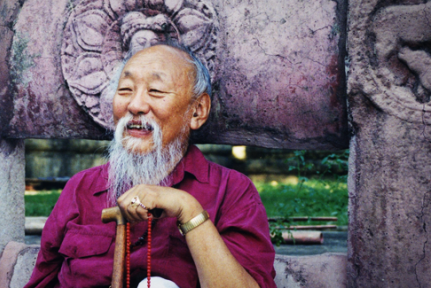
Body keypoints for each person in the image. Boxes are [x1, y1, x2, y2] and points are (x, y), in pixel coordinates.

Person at [25, 42, 276, 288]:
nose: (135, 106)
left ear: (197, 111)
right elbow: (42, 280)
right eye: (125, 90)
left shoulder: (232, 191)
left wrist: (187, 209)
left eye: (155, 91)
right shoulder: (82, 188)